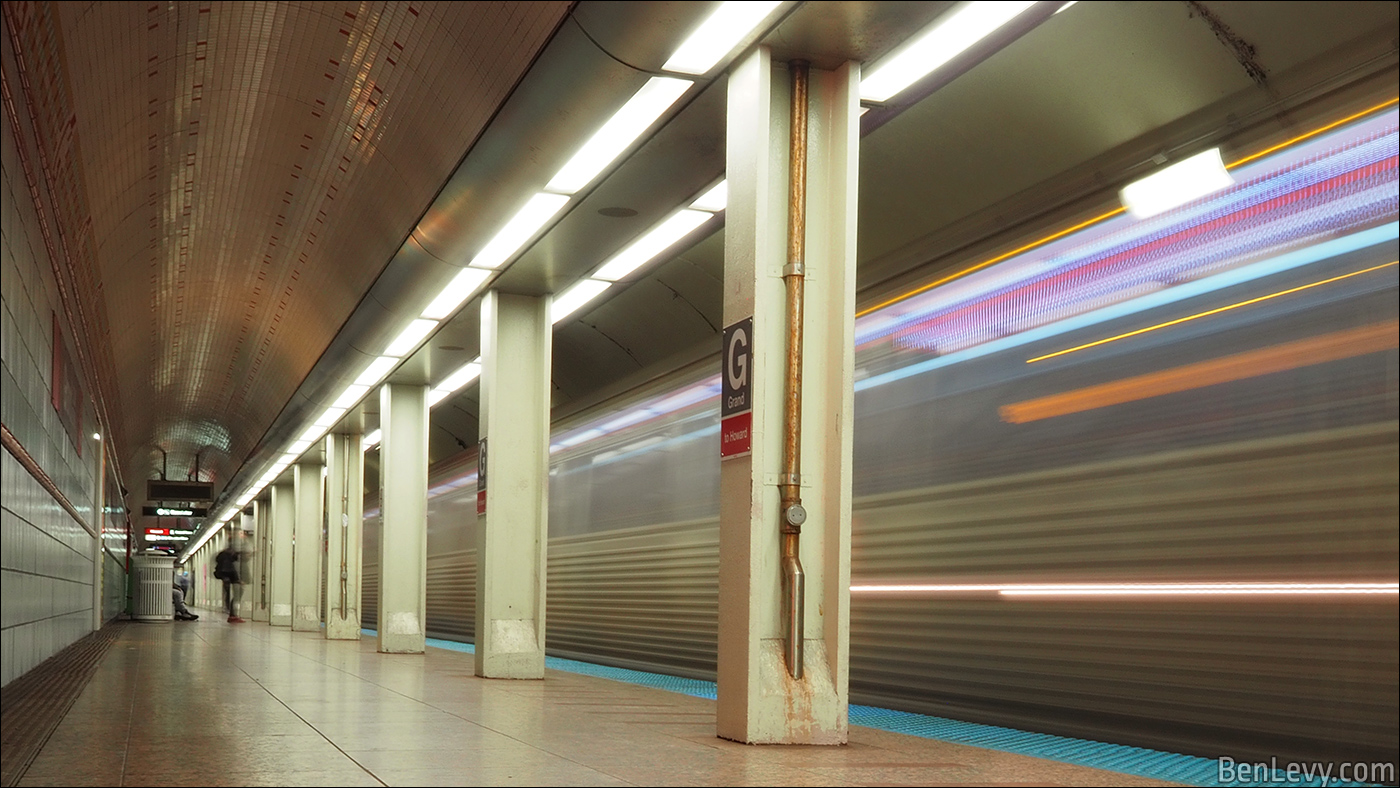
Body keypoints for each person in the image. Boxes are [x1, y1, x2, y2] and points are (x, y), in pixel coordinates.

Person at [214, 541, 246, 623]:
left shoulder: (222, 556)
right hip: (229, 577)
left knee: (228, 594)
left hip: (225, 577)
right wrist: (237, 579)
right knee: (236, 594)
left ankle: (230, 612)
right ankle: (232, 614)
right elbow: (229, 569)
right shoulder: (228, 558)